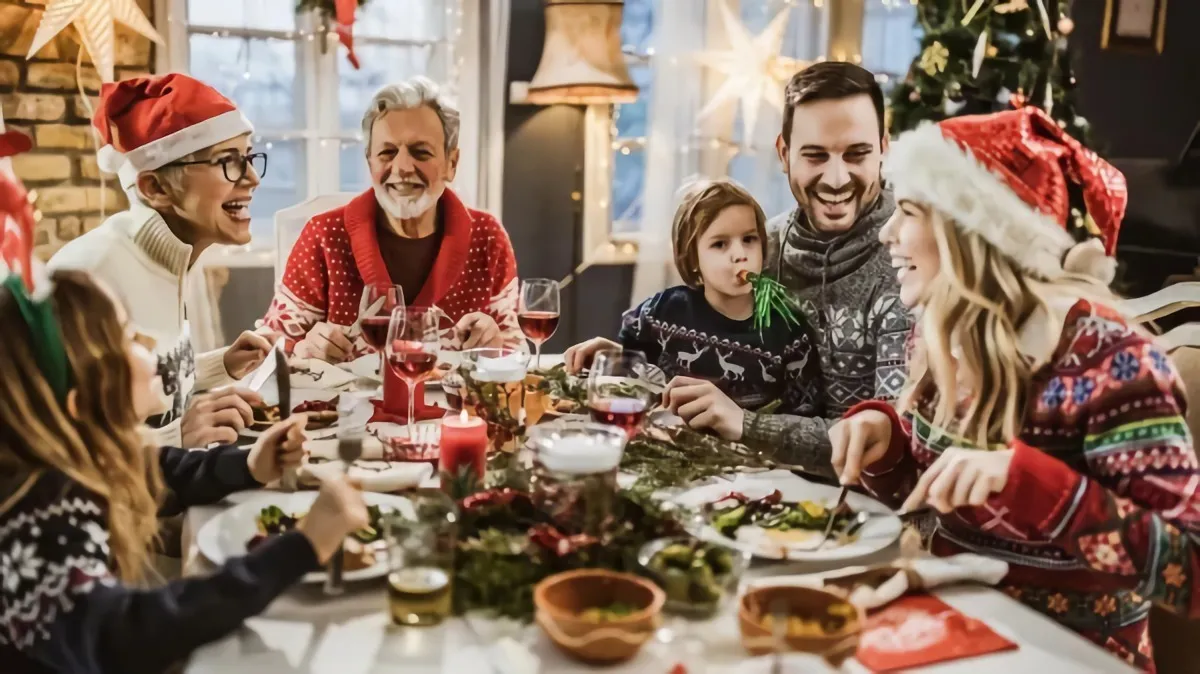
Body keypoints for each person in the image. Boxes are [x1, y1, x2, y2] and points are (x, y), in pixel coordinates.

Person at [830, 106, 1200, 670]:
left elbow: (1190, 574)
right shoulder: (943, 331)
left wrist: (1034, 483)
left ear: (970, 233)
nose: (886, 233)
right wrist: (887, 439)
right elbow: (936, 493)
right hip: (952, 632)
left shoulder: (1111, 361)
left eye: (906, 211)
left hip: (1071, 655)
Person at [0, 237, 369, 672]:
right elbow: (127, 634)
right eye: (126, 336)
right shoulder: (37, 514)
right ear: (82, 404)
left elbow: (161, 469)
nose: (147, 340)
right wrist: (304, 545)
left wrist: (249, 464)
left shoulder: (78, 457)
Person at [659, 62, 912, 475]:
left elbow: (892, 443)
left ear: (883, 149)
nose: (835, 178)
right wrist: (631, 363)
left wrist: (747, 425)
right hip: (755, 491)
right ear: (783, 153)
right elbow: (700, 349)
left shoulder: (912, 261)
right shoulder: (761, 248)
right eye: (815, 155)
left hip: (874, 516)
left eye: (857, 154)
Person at [49, 74, 275, 448]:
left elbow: (140, 389)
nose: (252, 178)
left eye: (249, 158)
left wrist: (222, 365)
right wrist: (176, 437)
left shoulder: (171, 253)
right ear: (155, 188)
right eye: (229, 162)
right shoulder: (89, 276)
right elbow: (55, 445)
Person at [262, 76, 520, 362]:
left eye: (421, 152)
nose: (402, 167)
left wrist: (496, 345)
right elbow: (269, 347)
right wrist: (300, 349)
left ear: (451, 164)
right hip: (344, 406)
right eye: (387, 152)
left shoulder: (487, 236)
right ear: (369, 161)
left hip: (454, 406)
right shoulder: (324, 235)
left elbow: (516, 347)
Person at [564, 178, 820, 415]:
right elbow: (642, 381)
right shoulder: (661, 312)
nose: (740, 254)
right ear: (693, 259)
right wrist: (614, 357)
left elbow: (804, 415)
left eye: (749, 239)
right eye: (720, 244)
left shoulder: (788, 330)